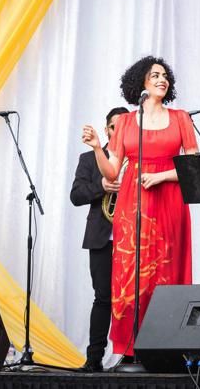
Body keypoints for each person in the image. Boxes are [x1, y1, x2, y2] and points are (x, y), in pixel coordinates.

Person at [82, 56, 198, 358]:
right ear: (141, 83)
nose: (162, 80)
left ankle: (167, 347)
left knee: (166, 272)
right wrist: (97, 148)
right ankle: (131, 349)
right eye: (154, 75)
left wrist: (162, 176)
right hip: (132, 203)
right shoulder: (124, 122)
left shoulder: (181, 118)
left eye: (165, 75)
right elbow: (112, 172)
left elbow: (194, 166)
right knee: (132, 275)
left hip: (169, 199)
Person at [71, 106, 128, 372]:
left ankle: (133, 356)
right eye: (115, 127)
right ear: (106, 130)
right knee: (103, 298)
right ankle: (94, 359)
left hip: (133, 239)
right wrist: (101, 187)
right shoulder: (89, 158)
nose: (120, 132)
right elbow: (76, 195)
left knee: (135, 298)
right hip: (102, 239)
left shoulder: (137, 159)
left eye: (126, 127)